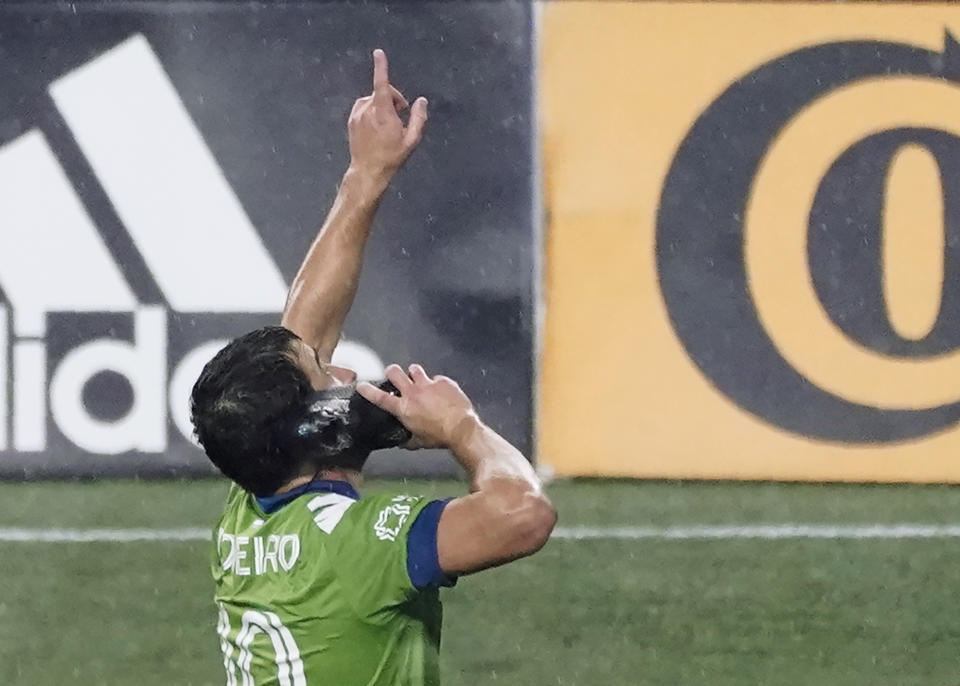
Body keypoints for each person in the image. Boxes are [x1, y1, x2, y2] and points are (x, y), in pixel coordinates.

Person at [190, 49, 556, 686]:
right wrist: (461, 428)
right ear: (315, 429)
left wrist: (366, 176)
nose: (342, 373)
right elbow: (522, 515)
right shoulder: (356, 548)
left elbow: (304, 326)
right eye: (325, 374)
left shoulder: (250, 499)